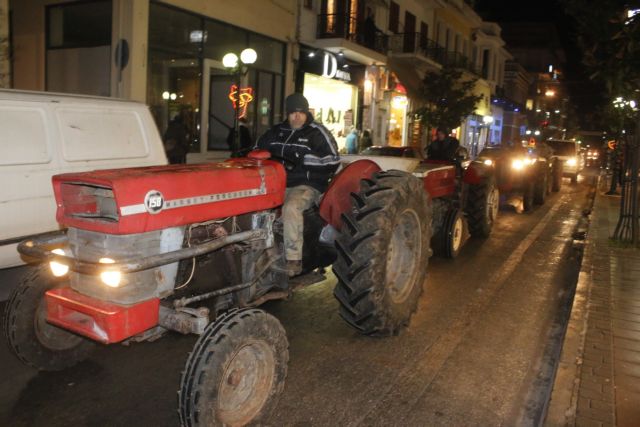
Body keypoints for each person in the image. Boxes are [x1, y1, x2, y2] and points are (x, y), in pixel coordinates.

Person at [255, 93, 340, 276]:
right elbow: (257, 150)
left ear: (306, 112)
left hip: (306, 185)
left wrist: (306, 159)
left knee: (291, 208)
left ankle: (294, 259)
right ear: (287, 113)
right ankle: (259, 253)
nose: (297, 116)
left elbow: (333, 160)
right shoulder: (275, 132)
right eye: (293, 112)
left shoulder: (317, 132)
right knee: (254, 207)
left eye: (301, 112)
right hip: (276, 185)